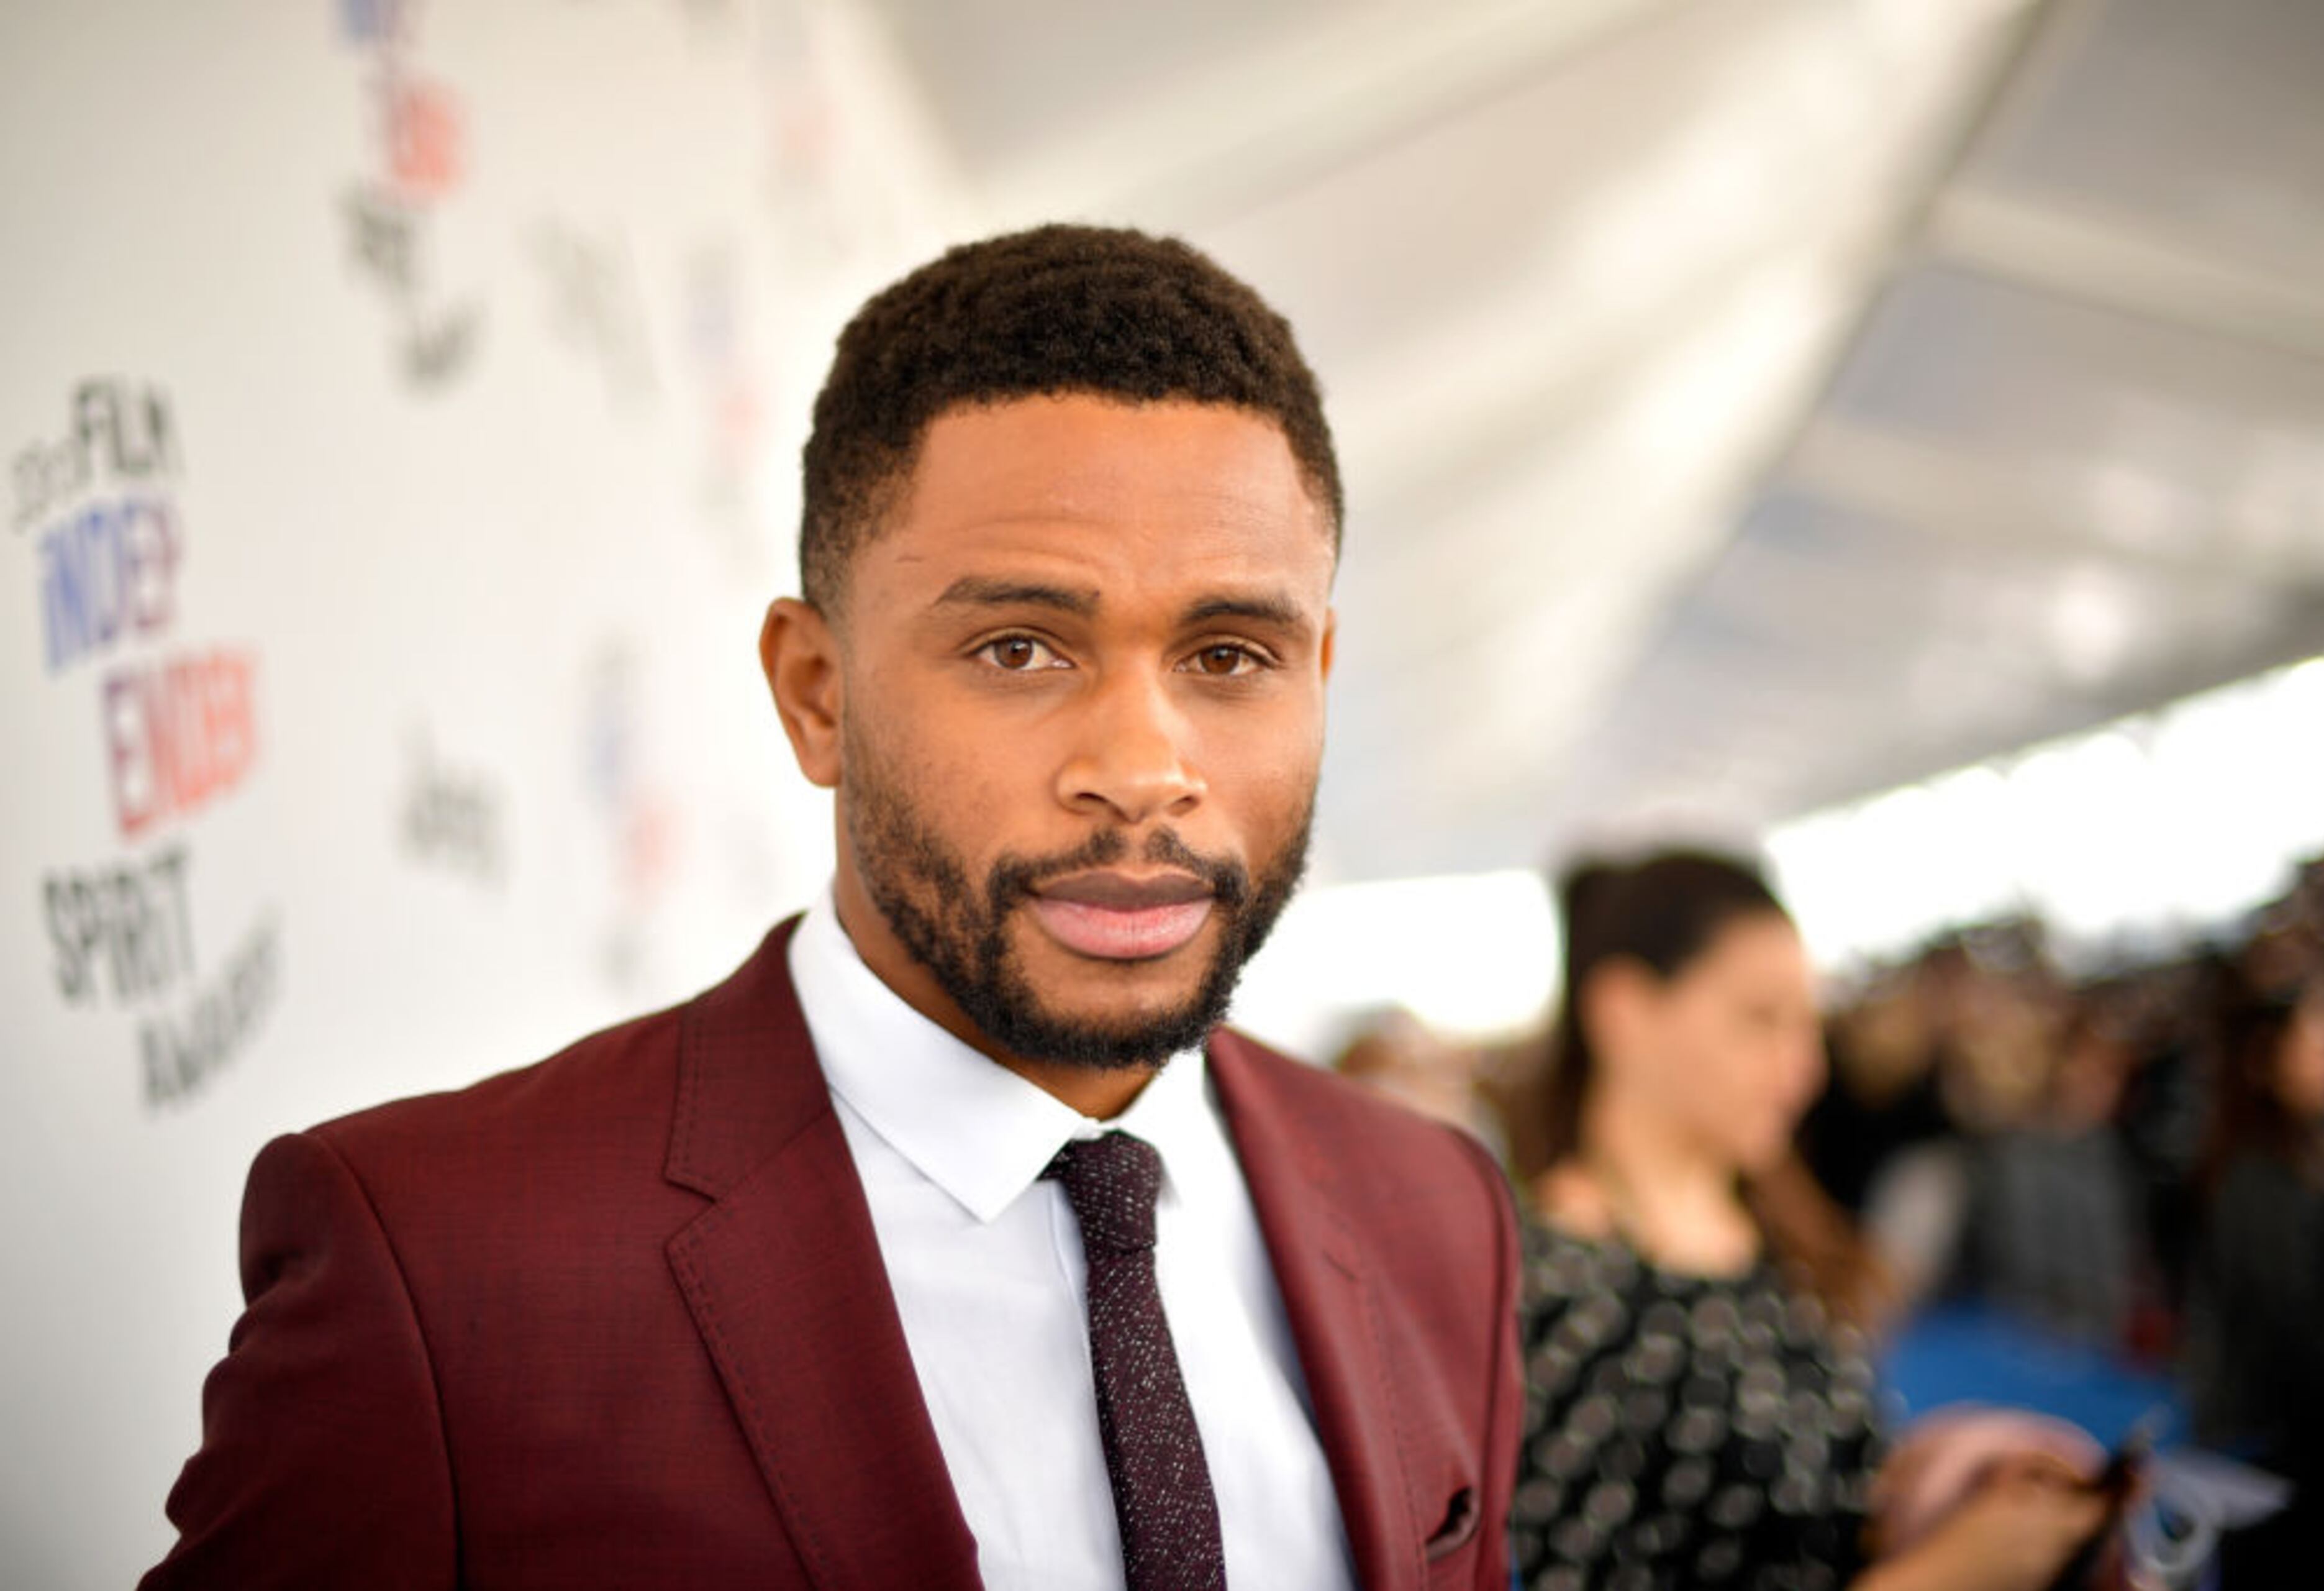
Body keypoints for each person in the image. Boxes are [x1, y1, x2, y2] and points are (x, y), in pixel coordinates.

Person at [142, 226, 1522, 1591]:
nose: (1143, 769)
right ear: (816, 693)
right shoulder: (444, 1266)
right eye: (1020, 648)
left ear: (1319, 674)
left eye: (1229, 655)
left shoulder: (1439, 1212)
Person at [1510, 853, 2112, 1591]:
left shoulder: (1770, 1231)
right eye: (1760, 1020)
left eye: (1807, 1025)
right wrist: (1944, 1574)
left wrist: (1937, 1478)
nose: (1803, 1067)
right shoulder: (1559, 1284)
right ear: (1624, 1012)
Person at [2184, 963, 2324, 1581]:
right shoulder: (2255, 1185)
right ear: (2266, 1058)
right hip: (2293, 1465)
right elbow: (2301, 1335)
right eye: (2320, 1044)